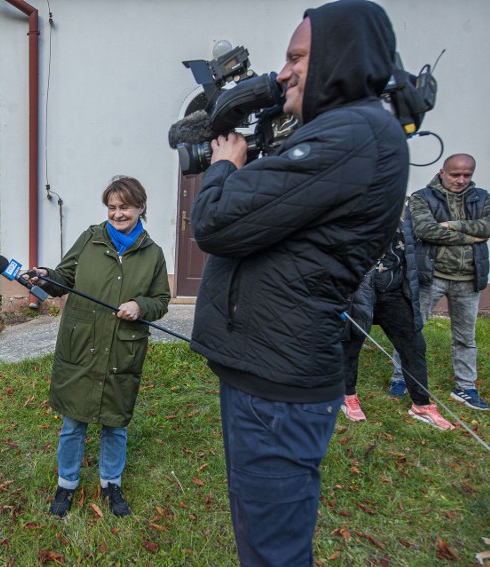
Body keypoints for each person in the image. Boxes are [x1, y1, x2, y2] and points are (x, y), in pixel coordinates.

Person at [189, 1, 408, 564]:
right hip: (265, 373)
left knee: (272, 554)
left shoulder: (354, 135)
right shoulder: (341, 132)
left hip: (277, 390)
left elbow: (216, 222)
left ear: (340, 56)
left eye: (295, 58)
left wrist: (226, 165)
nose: (282, 72)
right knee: (262, 543)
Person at [30, 176, 170, 518]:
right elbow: (62, 280)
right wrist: (46, 277)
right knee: (73, 423)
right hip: (83, 346)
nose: (117, 214)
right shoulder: (90, 239)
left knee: (115, 423)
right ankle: (66, 484)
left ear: (141, 208)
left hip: (123, 349)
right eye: (111, 207)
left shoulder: (153, 254)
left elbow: (161, 300)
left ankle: (111, 483)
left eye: (125, 207)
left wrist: (140, 306)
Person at [390, 154, 490, 410]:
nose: (461, 180)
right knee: (411, 331)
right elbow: (425, 230)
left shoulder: (482, 197)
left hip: (468, 279)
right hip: (431, 276)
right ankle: (400, 379)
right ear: (442, 172)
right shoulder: (422, 197)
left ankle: (465, 387)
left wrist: (453, 224)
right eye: (455, 175)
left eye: (467, 175)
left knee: (465, 337)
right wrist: (471, 237)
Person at [341, 216, 455, 430]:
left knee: (414, 344)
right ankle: (347, 395)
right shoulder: (350, 211)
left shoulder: (403, 217)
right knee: (351, 342)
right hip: (358, 291)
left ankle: (421, 404)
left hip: (392, 291)